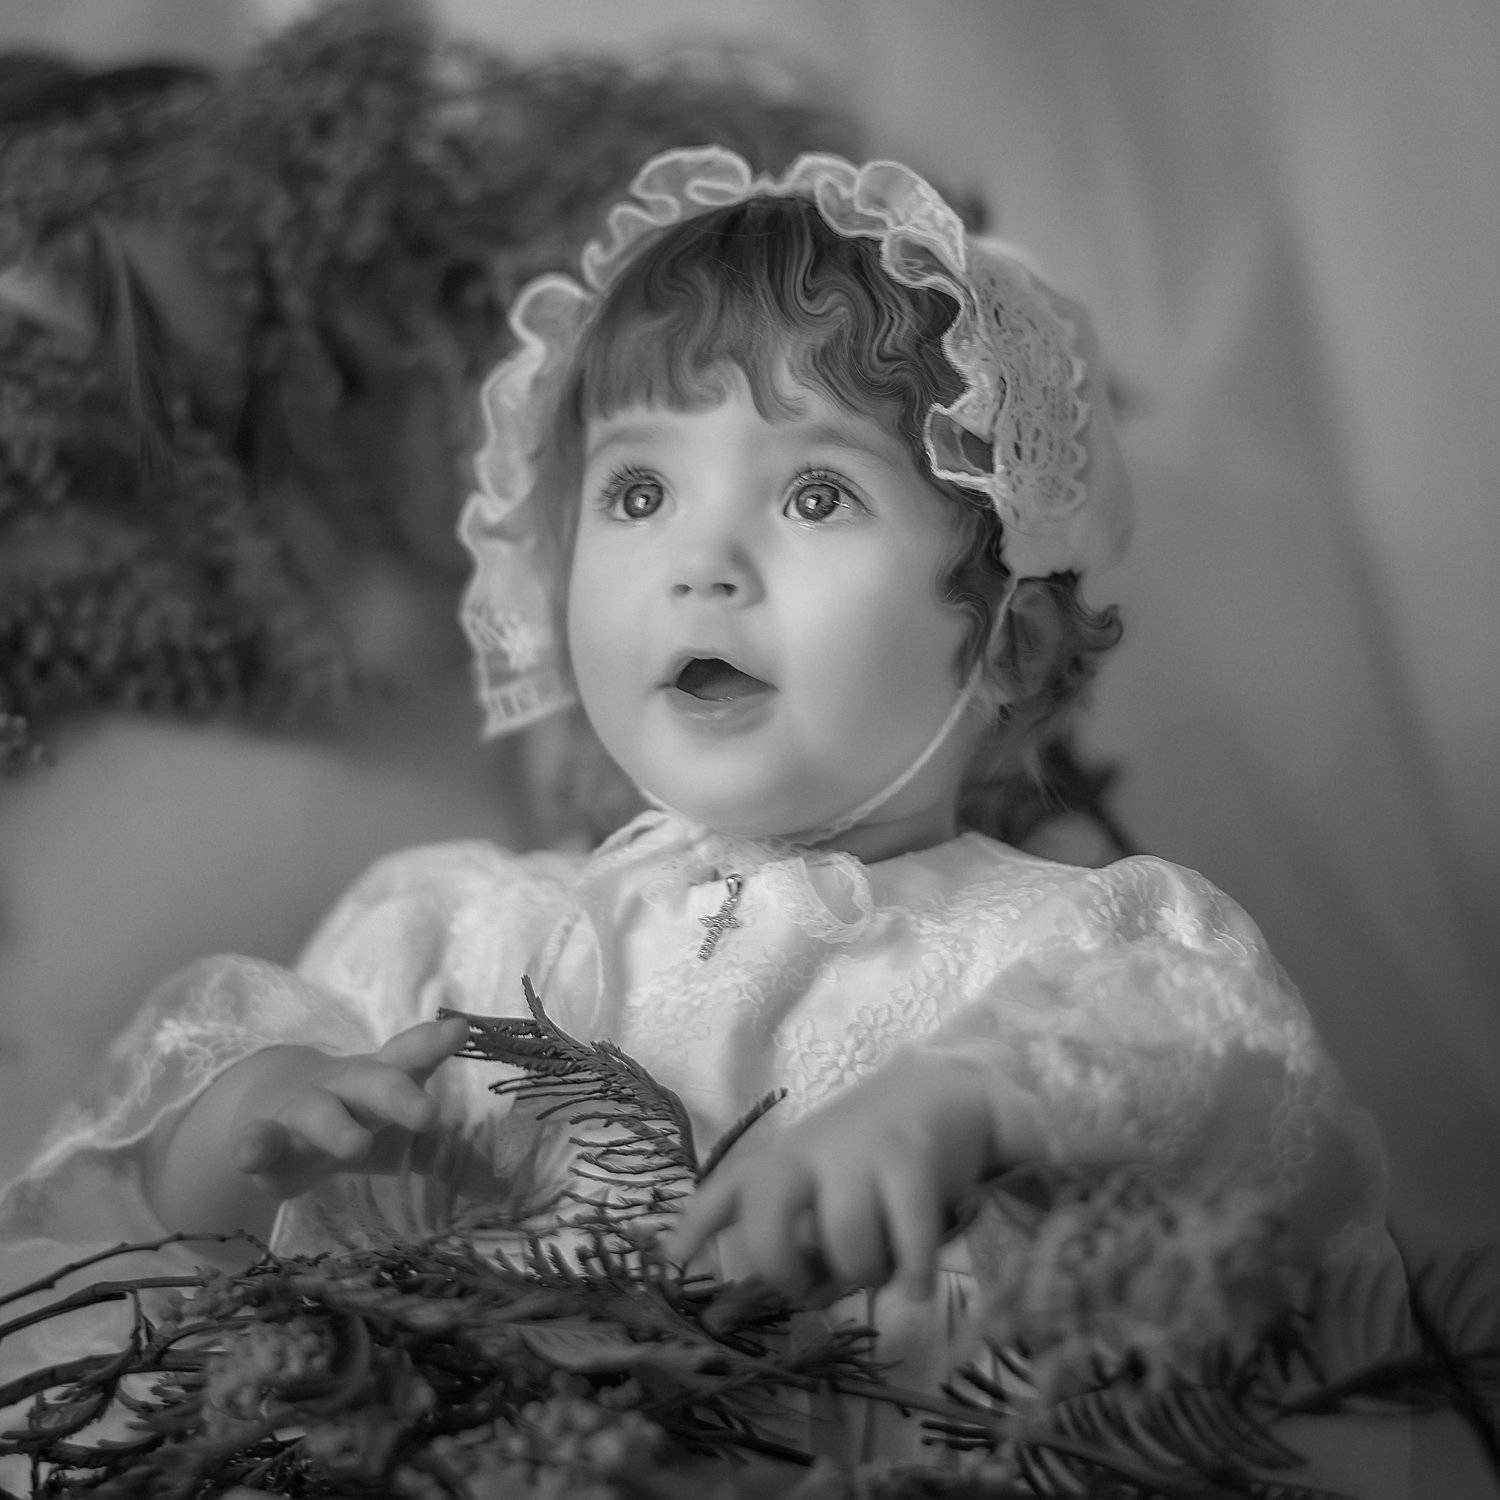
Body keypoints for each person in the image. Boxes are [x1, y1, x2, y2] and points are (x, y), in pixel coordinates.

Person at [0, 147, 1387, 1459]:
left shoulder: (1058, 947)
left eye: (818, 494)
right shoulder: (475, 938)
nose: (701, 560)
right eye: (640, 490)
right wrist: (268, 1113)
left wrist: (968, 1101)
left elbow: (1243, 1086)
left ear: (1008, 635)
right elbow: (174, 1199)